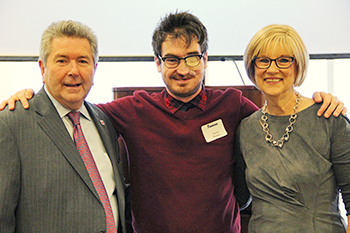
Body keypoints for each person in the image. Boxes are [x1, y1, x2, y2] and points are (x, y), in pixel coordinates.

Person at [0, 12, 346, 233]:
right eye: (172, 59)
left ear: (206, 58)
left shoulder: (232, 105)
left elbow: (281, 115)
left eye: (192, 57)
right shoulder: (130, 110)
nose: (183, 68)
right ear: (157, 62)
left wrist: (323, 99)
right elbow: (75, 103)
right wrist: (31, 95)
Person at [0, 20, 127, 232]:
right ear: (43, 67)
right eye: (62, 61)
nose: (74, 71)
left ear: (95, 69)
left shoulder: (104, 121)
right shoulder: (12, 124)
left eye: (83, 61)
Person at [234, 24, 350, 233]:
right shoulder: (246, 129)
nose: (272, 69)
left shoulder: (329, 119)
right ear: (253, 67)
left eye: (284, 60)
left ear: (299, 67)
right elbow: (241, 200)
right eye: (263, 60)